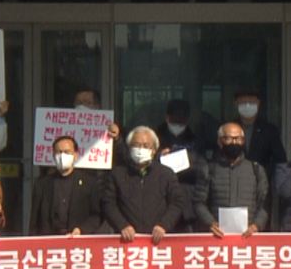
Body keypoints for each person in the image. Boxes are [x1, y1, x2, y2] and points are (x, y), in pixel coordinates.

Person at [102, 126, 184, 244]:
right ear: (129, 148)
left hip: (159, 242)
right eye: (136, 145)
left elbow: (177, 202)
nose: (140, 149)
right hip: (126, 241)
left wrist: (164, 225)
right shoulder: (117, 174)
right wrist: (122, 225)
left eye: (146, 146)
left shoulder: (166, 174)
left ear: (154, 150)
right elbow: (108, 203)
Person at [194, 123, 269, 238]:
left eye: (238, 139)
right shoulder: (209, 169)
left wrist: (257, 225)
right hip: (217, 237)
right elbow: (198, 202)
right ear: (220, 141)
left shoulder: (256, 169)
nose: (234, 143)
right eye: (228, 138)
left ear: (243, 141)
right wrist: (210, 223)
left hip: (249, 237)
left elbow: (265, 203)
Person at [29, 135, 103, 236]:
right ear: (53, 155)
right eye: (59, 152)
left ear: (76, 155)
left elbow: (97, 216)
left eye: (67, 152)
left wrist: (82, 230)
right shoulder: (42, 184)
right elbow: (34, 221)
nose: (62, 155)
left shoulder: (89, 183)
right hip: (49, 242)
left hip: (77, 243)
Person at [156, 99, 206, 232]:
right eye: (174, 120)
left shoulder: (195, 139)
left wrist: (187, 160)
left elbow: (203, 168)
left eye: (181, 120)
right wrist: (159, 157)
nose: (178, 124)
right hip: (161, 197)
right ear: (167, 118)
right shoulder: (156, 138)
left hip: (187, 202)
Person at [233, 88, 285, 174]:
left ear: (258, 103)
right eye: (243, 102)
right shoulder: (228, 128)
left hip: (263, 181)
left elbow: (280, 161)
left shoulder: (270, 130)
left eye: (251, 102)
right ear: (236, 104)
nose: (247, 106)